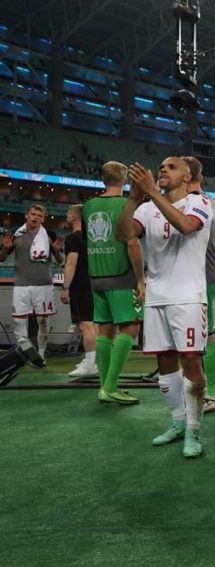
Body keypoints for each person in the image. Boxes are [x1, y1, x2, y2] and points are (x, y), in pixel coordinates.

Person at [115, 157, 210, 459]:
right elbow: (122, 234)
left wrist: (152, 192)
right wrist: (133, 198)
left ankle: (194, 430)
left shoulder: (201, 203)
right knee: (165, 361)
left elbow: (185, 226)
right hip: (157, 295)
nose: (163, 170)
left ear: (187, 176)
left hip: (188, 297)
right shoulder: (145, 208)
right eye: (161, 167)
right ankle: (178, 423)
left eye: (171, 167)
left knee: (191, 361)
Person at [85, 161, 145, 405]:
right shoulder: (126, 205)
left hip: (96, 275)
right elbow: (132, 243)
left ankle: (104, 386)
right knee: (130, 327)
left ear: (102, 179)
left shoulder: (88, 206)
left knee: (105, 329)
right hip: (121, 275)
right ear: (125, 181)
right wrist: (140, 279)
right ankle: (110, 387)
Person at [181, 156, 215, 414]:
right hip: (208, 273)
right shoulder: (214, 203)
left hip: (198, 276)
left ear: (187, 175)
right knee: (201, 335)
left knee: (204, 336)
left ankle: (209, 395)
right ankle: (205, 393)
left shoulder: (193, 202)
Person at [1, 204, 63, 362]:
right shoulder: (16, 235)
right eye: (33, 214)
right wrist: (5, 248)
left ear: (43, 218)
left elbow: (60, 260)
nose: (35, 217)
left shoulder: (50, 235)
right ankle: (26, 353)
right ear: (26, 215)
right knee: (18, 321)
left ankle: (41, 354)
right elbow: (1, 258)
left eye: (39, 215)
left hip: (44, 285)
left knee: (43, 322)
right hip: (21, 285)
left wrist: (56, 250)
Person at [60, 204, 98, 378]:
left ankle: (90, 364)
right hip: (94, 284)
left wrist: (65, 287)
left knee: (85, 325)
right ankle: (93, 360)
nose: (67, 215)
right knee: (93, 325)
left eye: (69, 212)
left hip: (80, 286)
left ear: (75, 217)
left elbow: (71, 263)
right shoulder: (93, 238)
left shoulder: (73, 239)